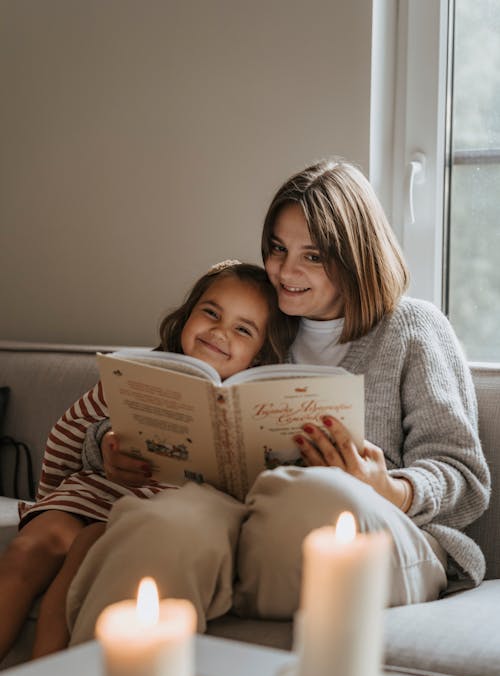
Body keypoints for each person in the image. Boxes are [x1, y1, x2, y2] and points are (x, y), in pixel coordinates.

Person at [67, 158, 490, 644]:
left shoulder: (413, 329)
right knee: (163, 522)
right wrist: (110, 446)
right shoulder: (257, 322)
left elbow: (466, 477)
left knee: (308, 495)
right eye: (277, 248)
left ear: (356, 255)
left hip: (377, 533)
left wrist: (392, 489)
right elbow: (167, 394)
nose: (286, 271)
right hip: (246, 529)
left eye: (313, 256)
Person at [0, 261, 297, 661]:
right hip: (87, 496)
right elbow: (69, 429)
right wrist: (87, 458)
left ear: (261, 355)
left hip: (143, 516)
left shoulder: (253, 412)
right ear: (187, 314)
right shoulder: (136, 373)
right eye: (211, 312)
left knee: (81, 566)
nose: (219, 332)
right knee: (27, 551)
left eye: (243, 329)